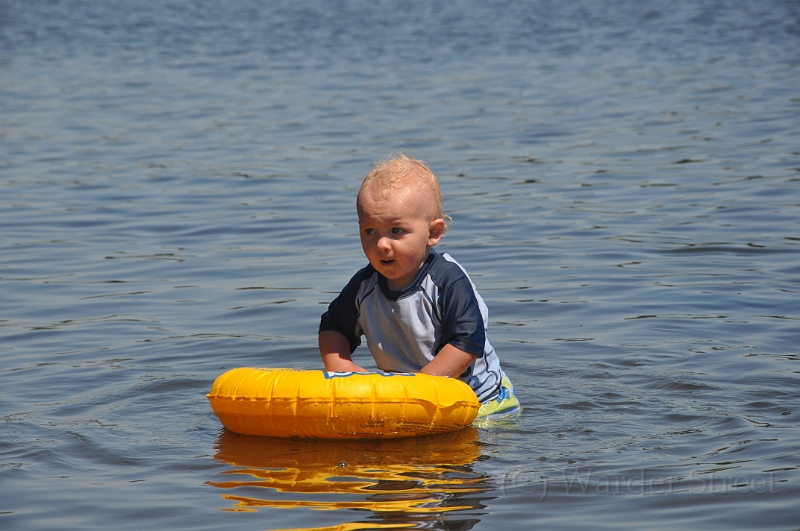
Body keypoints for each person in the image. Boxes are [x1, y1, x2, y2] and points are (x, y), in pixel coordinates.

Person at [319, 153, 519, 418]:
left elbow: (467, 341)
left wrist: (419, 387)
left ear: (433, 233)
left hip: (479, 401)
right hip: (408, 400)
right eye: (370, 231)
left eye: (396, 231)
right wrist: (343, 367)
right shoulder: (364, 287)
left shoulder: (447, 281)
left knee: (471, 441)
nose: (381, 244)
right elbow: (333, 328)